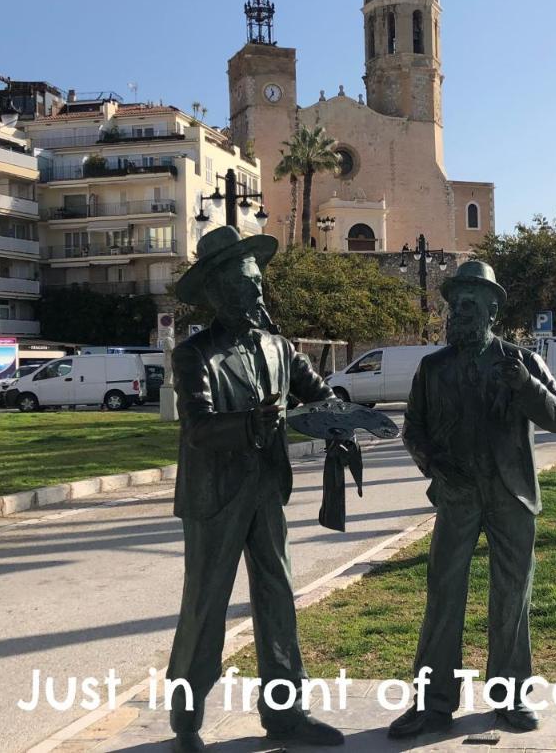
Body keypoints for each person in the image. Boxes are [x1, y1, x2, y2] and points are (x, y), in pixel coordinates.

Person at [166, 225, 344, 751]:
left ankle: (287, 715)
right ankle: (186, 718)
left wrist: (341, 420)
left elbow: (320, 396)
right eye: (246, 287)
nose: (257, 294)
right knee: (205, 604)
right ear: (219, 293)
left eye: (259, 285)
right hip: (214, 497)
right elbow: (197, 428)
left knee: (278, 599)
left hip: (266, 492)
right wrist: (250, 423)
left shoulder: (280, 348)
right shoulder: (194, 354)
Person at [388, 260, 556, 739]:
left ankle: (510, 696)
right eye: (456, 306)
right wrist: (434, 466)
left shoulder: (521, 361)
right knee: (443, 595)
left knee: (512, 596)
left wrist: (525, 386)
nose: (460, 314)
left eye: (470, 305)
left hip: (511, 496)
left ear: (491, 309)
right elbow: (414, 430)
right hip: (458, 495)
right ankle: (432, 702)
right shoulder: (433, 368)